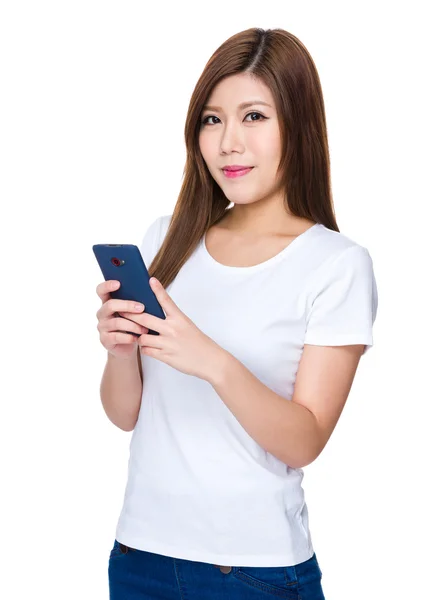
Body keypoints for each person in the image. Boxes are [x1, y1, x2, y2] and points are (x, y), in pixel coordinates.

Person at [97, 27, 378, 600]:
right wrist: (121, 351)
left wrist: (212, 361)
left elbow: (304, 441)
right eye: (211, 119)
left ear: (297, 126)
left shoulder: (336, 264)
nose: (228, 142)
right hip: (139, 558)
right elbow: (125, 414)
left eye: (253, 117)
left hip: (252, 572)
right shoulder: (167, 239)